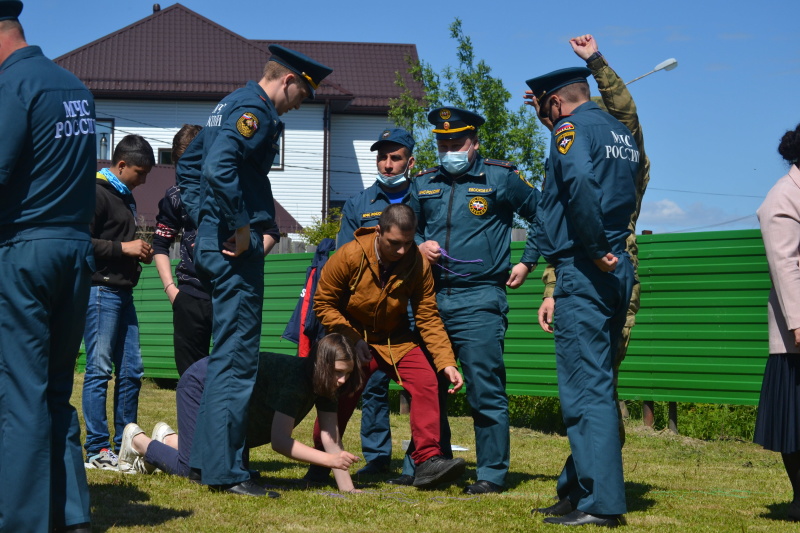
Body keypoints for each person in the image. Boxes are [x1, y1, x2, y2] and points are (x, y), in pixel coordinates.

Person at [177, 44, 332, 496]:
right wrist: (238, 227)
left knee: (226, 356)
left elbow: (188, 165)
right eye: (302, 93)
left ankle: (208, 463)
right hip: (233, 250)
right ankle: (227, 472)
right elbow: (215, 165)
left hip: (215, 243)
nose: (301, 102)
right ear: (287, 80)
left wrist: (204, 220)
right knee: (237, 361)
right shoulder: (254, 110)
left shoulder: (229, 103)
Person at [526, 34, 651, 517]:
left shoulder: (572, 130)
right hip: (619, 265)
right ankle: (579, 490)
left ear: (555, 103)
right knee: (597, 383)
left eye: (546, 108)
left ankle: (600, 502)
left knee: (585, 389)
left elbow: (574, 185)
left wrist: (594, 248)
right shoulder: (620, 131)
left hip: (588, 266)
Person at [407, 107, 541, 493]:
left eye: (456, 143)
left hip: (480, 298)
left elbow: (545, 214)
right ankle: (435, 464)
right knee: (427, 388)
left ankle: (492, 475)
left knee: (484, 388)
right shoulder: (423, 182)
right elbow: (404, 227)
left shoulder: (500, 177)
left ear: (475, 143)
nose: (449, 149)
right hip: (429, 300)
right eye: (442, 143)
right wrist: (418, 245)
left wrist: (528, 262)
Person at [0, 2, 96, 530]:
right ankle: (71, 512)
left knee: (20, 392)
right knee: (57, 387)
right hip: (73, 251)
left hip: (24, 252)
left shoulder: (12, 86)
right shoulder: (74, 86)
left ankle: (22, 519)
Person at [311, 204, 467, 489]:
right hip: (352, 338)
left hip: (396, 340)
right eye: (394, 243)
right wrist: (353, 339)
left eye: (408, 244)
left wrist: (447, 362)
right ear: (379, 231)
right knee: (341, 397)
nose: (402, 251)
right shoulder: (348, 255)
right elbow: (323, 303)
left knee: (426, 382)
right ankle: (321, 461)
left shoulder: (417, 264)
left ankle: (428, 461)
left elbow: (428, 317)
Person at [118, 334, 364, 495]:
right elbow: (280, 442)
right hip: (202, 384)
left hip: (231, 414)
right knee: (196, 471)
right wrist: (329, 461)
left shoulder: (326, 384)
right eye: (338, 372)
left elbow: (331, 439)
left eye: (347, 373)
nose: (342, 380)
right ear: (322, 366)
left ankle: (170, 440)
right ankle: (138, 441)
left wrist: (348, 489)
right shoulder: (296, 381)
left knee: (241, 472)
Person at [153, 125, 280, 376]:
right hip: (189, 296)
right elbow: (160, 244)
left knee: (231, 372)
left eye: (195, 165)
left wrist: (250, 255)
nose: (190, 174)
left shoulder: (237, 191)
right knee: (190, 376)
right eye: (182, 167)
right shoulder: (176, 196)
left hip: (231, 292)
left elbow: (271, 232)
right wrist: (172, 291)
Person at [336, 127, 416, 476]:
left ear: (410, 161)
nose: (387, 164)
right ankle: (378, 457)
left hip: (414, 307)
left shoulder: (425, 198)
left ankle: (420, 461)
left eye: (395, 157)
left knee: (419, 384)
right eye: (382, 157)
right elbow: (342, 256)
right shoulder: (359, 203)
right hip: (371, 312)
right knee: (371, 385)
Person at [83, 134, 155, 470]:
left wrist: (138, 252)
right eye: (140, 172)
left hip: (122, 292)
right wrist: (123, 249)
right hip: (100, 292)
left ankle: (124, 445)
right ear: (121, 164)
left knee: (132, 371)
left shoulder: (124, 197)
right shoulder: (95, 192)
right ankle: (97, 450)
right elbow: (81, 242)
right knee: (99, 370)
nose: (144, 180)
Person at [753, 123, 800, 523]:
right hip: (796, 332)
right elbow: (785, 263)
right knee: (794, 421)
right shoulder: (783, 196)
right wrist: (799, 322)